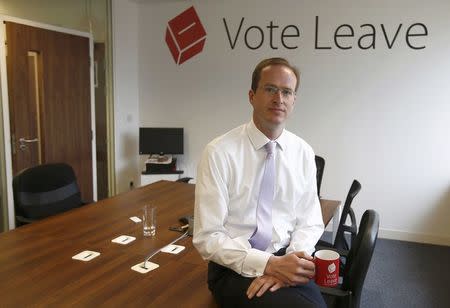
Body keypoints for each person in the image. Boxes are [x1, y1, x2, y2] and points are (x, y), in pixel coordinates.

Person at [193, 57, 326, 308]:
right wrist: (268, 265)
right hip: (232, 266)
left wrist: (289, 263)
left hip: (285, 255)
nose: (279, 98)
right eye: (270, 89)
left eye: (287, 92)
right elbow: (207, 237)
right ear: (252, 96)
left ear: (294, 101)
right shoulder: (219, 152)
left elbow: (310, 220)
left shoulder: (303, 152)